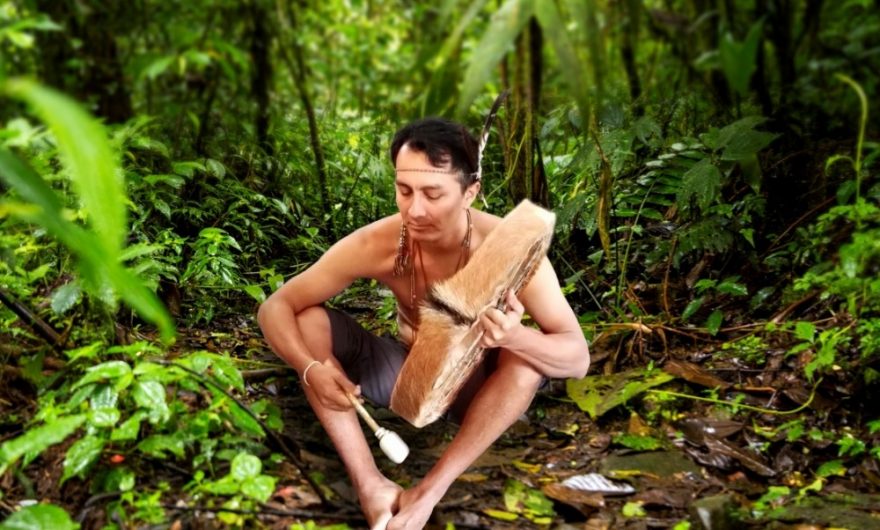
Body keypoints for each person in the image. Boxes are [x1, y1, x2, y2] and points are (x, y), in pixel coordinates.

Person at [258, 117, 590, 530]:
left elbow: (577, 358)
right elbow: (276, 306)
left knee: (526, 360)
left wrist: (515, 336)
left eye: (433, 194)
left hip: (483, 391)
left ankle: (427, 493)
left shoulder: (511, 247)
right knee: (307, 324)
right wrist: (311, 368)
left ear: (470, 192)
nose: (415, 209)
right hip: (410, 381)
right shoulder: (378, 243)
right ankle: (370, 485)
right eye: (404, 191)